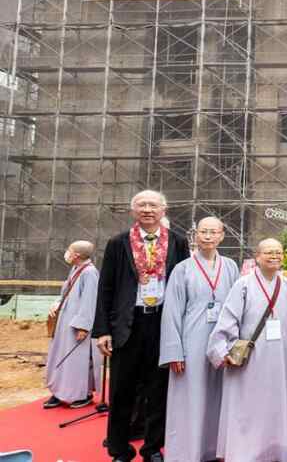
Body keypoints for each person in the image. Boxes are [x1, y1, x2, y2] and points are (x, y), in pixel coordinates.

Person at [94, 190, 190, 462]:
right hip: (128, 324)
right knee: (122, 391)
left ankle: (152, 449)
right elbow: (106, 288)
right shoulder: (118, 243)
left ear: (164, 210)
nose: (148, 209)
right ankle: (119, 450)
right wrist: (102, 330)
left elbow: (184, 286)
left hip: (162, 322)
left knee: (158, 391)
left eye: (153, 205)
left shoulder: (178, 242)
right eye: (141, 205)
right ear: (133, 210)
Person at [207, 238, 287, 462]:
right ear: (257, 256)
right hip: (252, 356)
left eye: (278, 252)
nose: (274, 256)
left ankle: (273, 450)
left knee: (275, 404)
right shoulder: (243, 284)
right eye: (268, 252)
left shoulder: (285, 285)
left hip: (279, 356)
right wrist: (223, 350)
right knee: (247, 405)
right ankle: (244, 452)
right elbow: (228, 319)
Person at [159, 216, 239, 462]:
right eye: (203, 232)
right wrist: (174, 351)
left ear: (222, 235)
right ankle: (187, 451)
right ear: (195, 235)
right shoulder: (182, 269)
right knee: (191, 395)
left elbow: (238, 307)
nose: (208, 236)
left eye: (213, 232)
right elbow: (171, 312)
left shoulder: (230, 267)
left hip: (223, 340)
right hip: (191, 340)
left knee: (221, 394)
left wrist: (236, 347)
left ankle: (216, 449)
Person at [44, 240, 102, 409]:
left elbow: (89, 301)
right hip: (65, 322)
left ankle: (81, 394)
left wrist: (83, 326)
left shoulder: (90, 273)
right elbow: (67, 292)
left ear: (76, 255)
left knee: (77, 361)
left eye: (69, 250)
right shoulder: (76, 269)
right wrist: (57, 304)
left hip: (77, 325)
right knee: (60, 357)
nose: (67, 253)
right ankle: (60, 391)